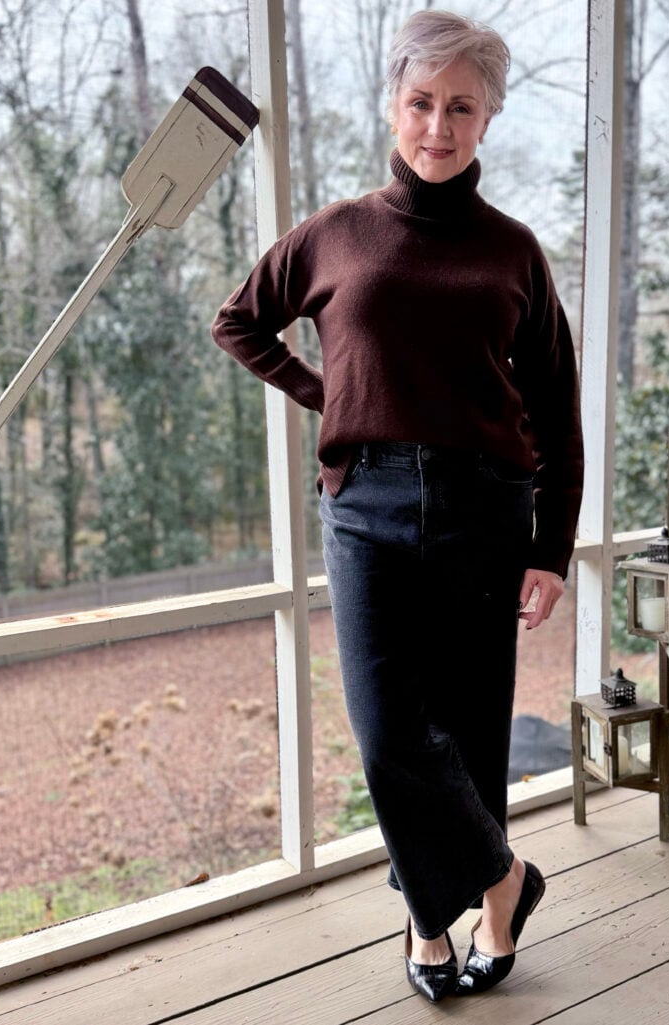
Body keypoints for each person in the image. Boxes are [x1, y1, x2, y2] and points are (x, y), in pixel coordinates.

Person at [211, 8, 584, 1004]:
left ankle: (440, 927)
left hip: (486, 508)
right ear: (392, 106)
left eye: (461, 106)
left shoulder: (514, 251)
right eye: (421, 102)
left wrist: (551, 545)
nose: (437, 125)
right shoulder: (336, 232)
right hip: (365, 506)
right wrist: (326, 395)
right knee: (388, 734)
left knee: (466, 732)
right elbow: (239, 319)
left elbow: (556, 405)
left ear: (488, 119)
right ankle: (500, 881)